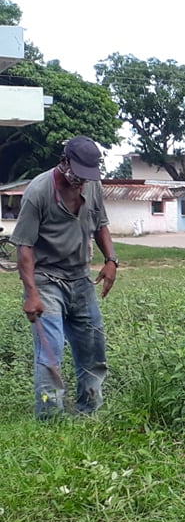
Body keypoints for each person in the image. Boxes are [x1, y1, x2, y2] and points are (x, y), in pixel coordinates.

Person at [10, 136, 119, 419]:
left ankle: (89, 411)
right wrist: (31, 293)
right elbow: (25, 248)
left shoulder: (92, 185)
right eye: (78, 174)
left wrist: (111, 261)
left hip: (80, 279)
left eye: (87, 176)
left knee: (93, 349)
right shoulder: (38, 191)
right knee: (50, 354)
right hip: (46, 280)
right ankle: (51, 419)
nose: (82, 181)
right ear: (64, 161)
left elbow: (101, 225)